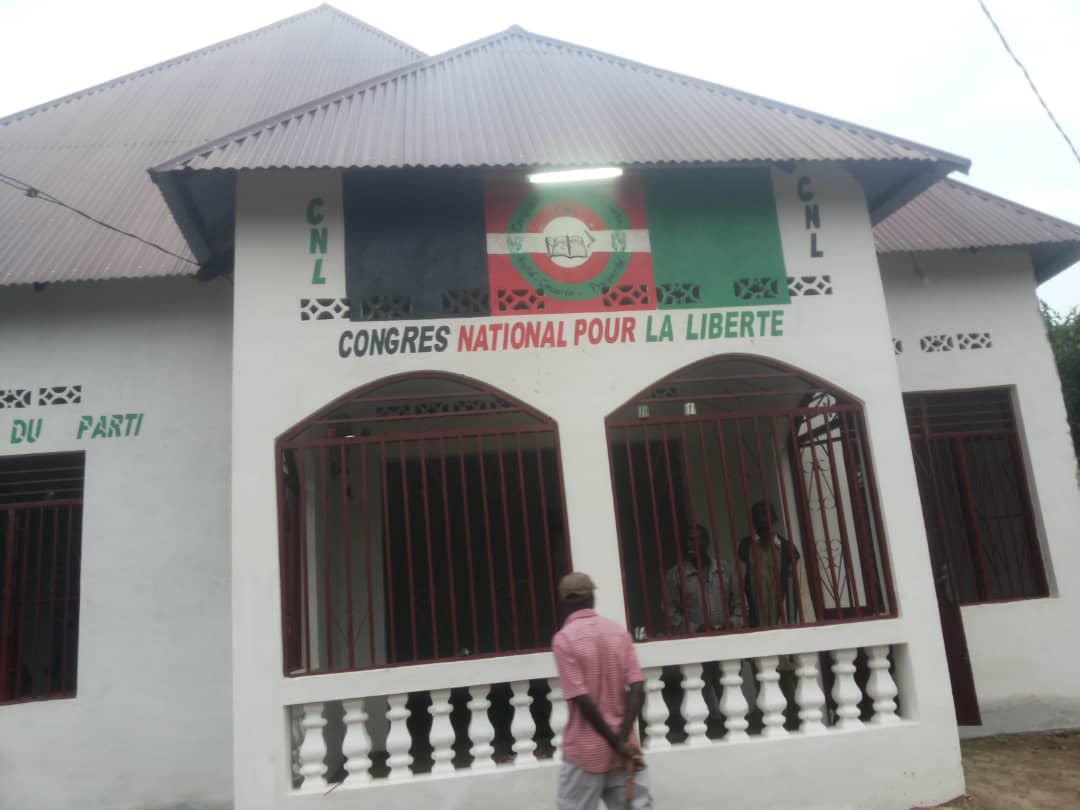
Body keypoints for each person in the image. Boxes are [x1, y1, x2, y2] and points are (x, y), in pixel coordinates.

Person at [552, 572, 651, 810]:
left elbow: (581, 699)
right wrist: (621, 738)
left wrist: (610, 740)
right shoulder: (618, 632)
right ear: (591, 597)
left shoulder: (564, 640)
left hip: (586, 751)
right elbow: (638, 687)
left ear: (564, 602)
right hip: (625, 748)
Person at [738, 501, 815, 628]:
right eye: (758, 515)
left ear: (774, 519)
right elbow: (739, 585)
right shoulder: (745, 548)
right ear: (753, 521)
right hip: (755, 618)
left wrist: (808, 623)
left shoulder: (788, 549)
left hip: (783, 618)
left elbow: (802, 590)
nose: (762, 519)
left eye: (765, 514)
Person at [664, 523, 742, 634]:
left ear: (706, 542)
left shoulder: (725, 569)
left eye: (693, 540)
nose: (688, 545)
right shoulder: (675, 574)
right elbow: (670, 612)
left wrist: (732, 624)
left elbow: (740, 604)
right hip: (695, 642)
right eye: (685, 541)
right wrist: (695, 629)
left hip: (727, 637)